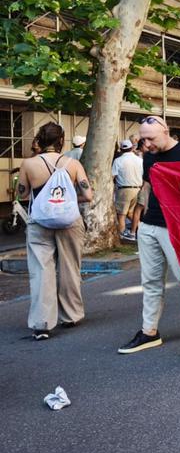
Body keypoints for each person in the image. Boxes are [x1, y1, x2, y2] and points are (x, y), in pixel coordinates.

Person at [118, 116, 180, 354]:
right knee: (151, 282)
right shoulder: (149, 156)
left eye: (151, 138)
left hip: (176, 227)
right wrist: (141, 215)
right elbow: (148, 186)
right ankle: (149, 332)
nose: (146, 144)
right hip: (149, 225)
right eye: (143, 139)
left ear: (165, 131)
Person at [18, 123, 93, 339]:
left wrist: (46, 200)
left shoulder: (29, 164)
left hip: (40, 221)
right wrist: (66, 201)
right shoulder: (73, 164)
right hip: (70, 222)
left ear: (40, 140)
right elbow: (88, 195)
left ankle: (42, 323)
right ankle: (71, 315)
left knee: (41, 271)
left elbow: (22, 195)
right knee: (70, 268)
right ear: (61, 140)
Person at [112, 139, 143, 241]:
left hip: (124, 190)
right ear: (132, 148)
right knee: (131, 213)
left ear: (121, 149)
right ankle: (142, 231)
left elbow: (112, 176)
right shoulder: (139, 160)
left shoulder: (118, 160)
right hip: (138, 189)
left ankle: (122, 235)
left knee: (121, 215)